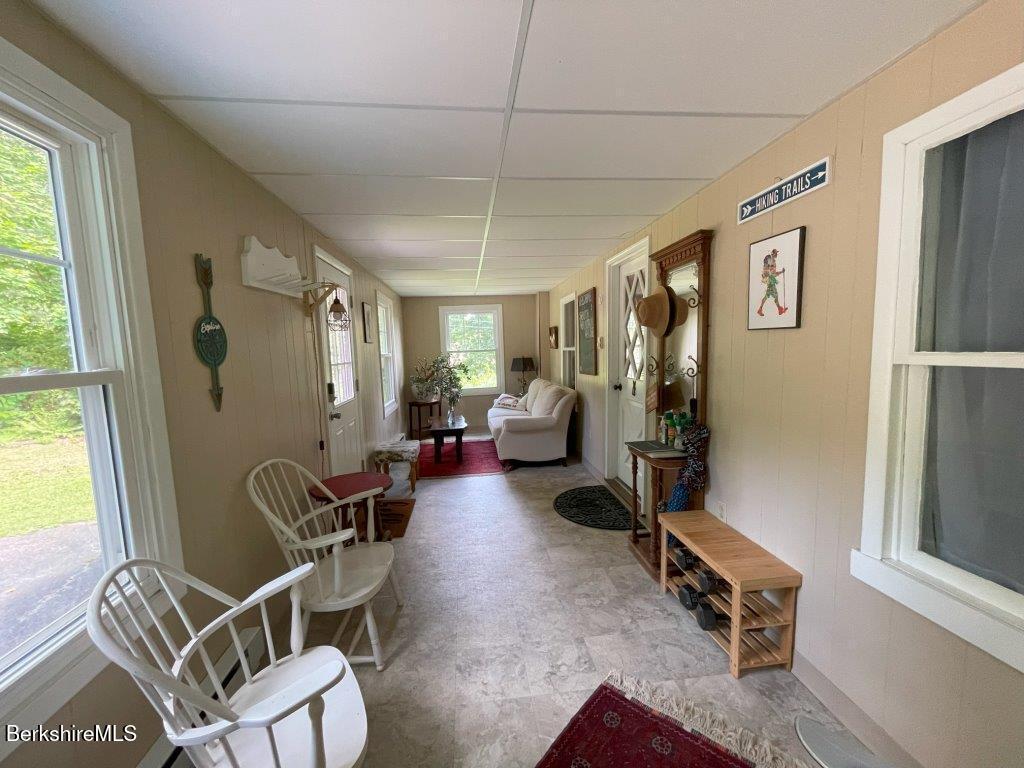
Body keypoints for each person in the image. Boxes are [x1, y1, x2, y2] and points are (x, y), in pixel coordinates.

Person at [756, 249, 788, 316]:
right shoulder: (771, 261)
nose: (776, 254)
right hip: (770, 280)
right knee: (773, 295)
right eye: (775, 253)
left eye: (776, 253)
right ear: (773, 254)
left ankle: (778, 309)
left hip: (771, 280)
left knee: (770, 295)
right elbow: (772, 273)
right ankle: (779, 309)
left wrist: (781, 272)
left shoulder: (773, 261)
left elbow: (773, 273)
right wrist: (781, 272)